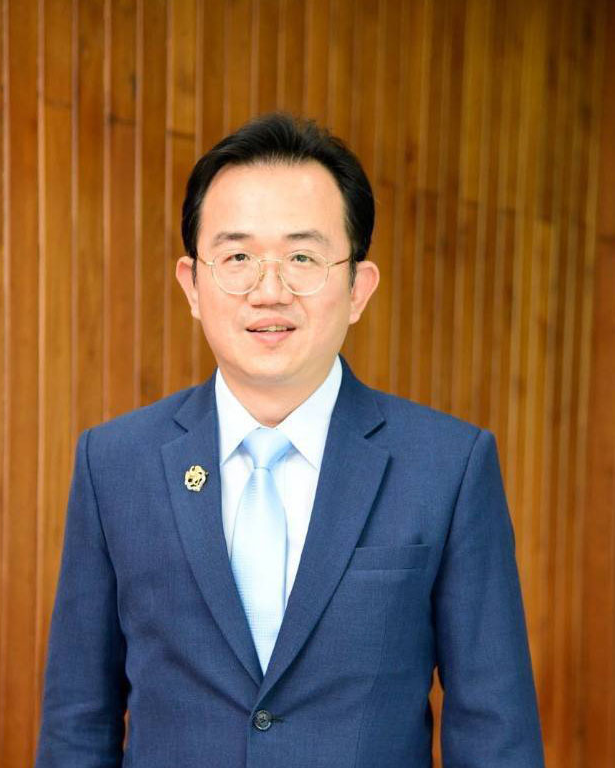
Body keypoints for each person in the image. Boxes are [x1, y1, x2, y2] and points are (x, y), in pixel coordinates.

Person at [35, 113, 545, 768]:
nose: (269, 291)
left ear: (358, 287)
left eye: (302, 257)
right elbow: (78, 721)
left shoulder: (446, 467)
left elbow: (495, 730)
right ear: (192, 284)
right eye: (237, 258)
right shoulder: (114, 463)